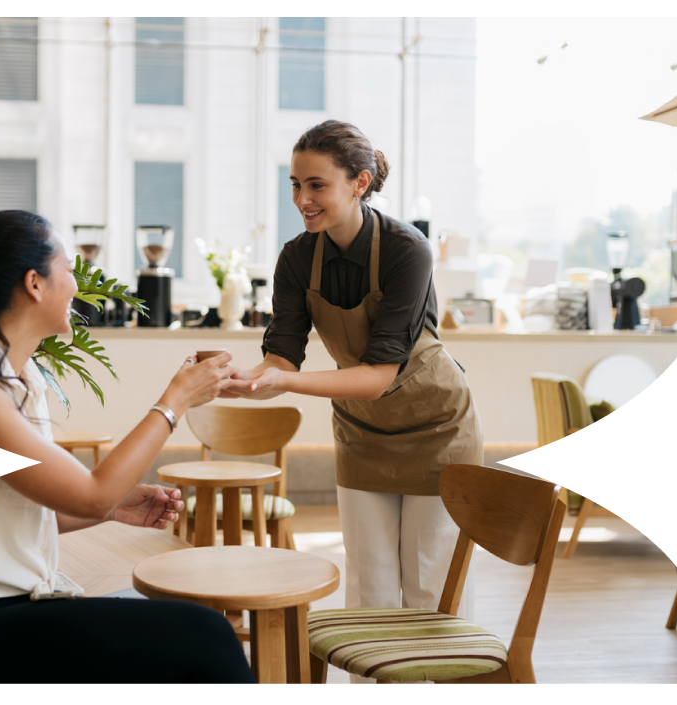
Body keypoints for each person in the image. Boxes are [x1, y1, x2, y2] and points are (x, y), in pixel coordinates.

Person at [0, 210, 256, 688]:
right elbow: (91, 492)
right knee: (206, 636)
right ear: (34, 283)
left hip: (7, 604)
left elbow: (18, 512)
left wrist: (115, 510)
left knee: (191, 633)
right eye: (70, 271)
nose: (78, 286)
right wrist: (174, 401)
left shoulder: (19, 377)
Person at [225, 120, 483, 684]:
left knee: (428, 588)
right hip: (363, 431)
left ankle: (428, 700)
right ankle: (381, 702)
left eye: (316, 185)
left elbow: (378, 375)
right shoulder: (297, 258)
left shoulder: (406, 250)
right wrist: (247, 377)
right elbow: (284, 355)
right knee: (369, 587)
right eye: (295, 185)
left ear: (359, 182)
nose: (302, 200)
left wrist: (283, 384)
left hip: (437, 428)